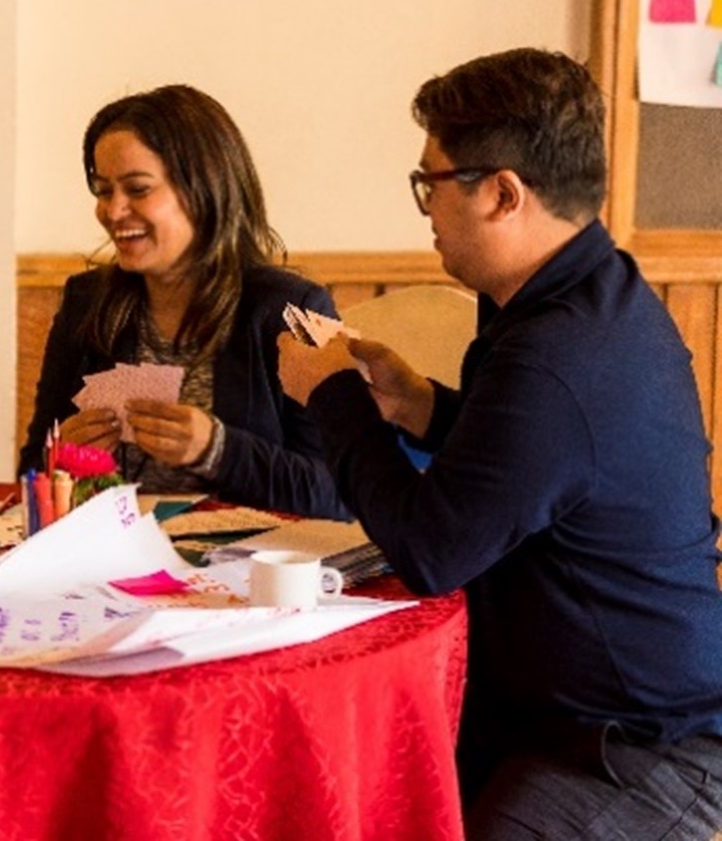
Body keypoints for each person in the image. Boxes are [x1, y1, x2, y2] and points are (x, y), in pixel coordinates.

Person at [277, 48, 722, 838]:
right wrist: (420, 408)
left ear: (502, 193)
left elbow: (431, 547)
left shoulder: (559, 353)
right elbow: (530, 475)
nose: (424, 209)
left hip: (638, 752)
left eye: (431, 182)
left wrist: (329, 393)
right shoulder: (587, 295)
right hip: (564, 720)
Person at [20, 84, 345, 518]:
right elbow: (30, 473)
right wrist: (60, 459)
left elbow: (340, 496)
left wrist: (218, 450)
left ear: (203, 190)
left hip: (248, 573)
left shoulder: (291, 310)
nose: (112, 211)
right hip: (109, 568)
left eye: (137, 189)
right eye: (102, 190)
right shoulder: (86, 303)